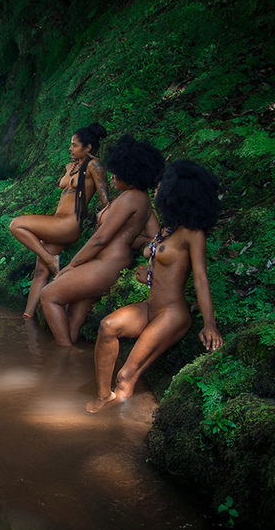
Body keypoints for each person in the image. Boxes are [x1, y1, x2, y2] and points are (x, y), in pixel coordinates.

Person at [86, 160, 223, 412]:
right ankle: (104, 397)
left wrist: (210, 324)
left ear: (177, 192)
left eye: (162, 186)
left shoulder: (192, 234)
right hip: (151, 306)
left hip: (171, 314)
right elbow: (160, 262)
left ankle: (117, 421)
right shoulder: (166, 228)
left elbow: (201, 279)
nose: (157, 189)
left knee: (125, 376)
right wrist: (147, 277)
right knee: (107, 326)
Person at [39, 135, 165, 347]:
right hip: (108, 263)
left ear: (130, 174)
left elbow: (100, 239)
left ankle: (65, 352)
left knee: (48, 294)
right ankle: (64, 360)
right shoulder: (142, 199)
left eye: (117, 173)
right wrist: (128, 240)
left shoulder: (129, 198)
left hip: (106, 265)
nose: (112, 176)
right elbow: (153, 236)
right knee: (73, 316)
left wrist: (72, 265)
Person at [9, 123, 110, 319]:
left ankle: (51, 260)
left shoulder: (94, 166)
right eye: (71, 144)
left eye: (74, 145)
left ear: (88, 147)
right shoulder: (70, 166)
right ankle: (27, 317)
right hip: (57, 223)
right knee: (40, 271)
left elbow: (105, 200)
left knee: (16, 224)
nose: (70, 148)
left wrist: (108, 224)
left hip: (69, 224)